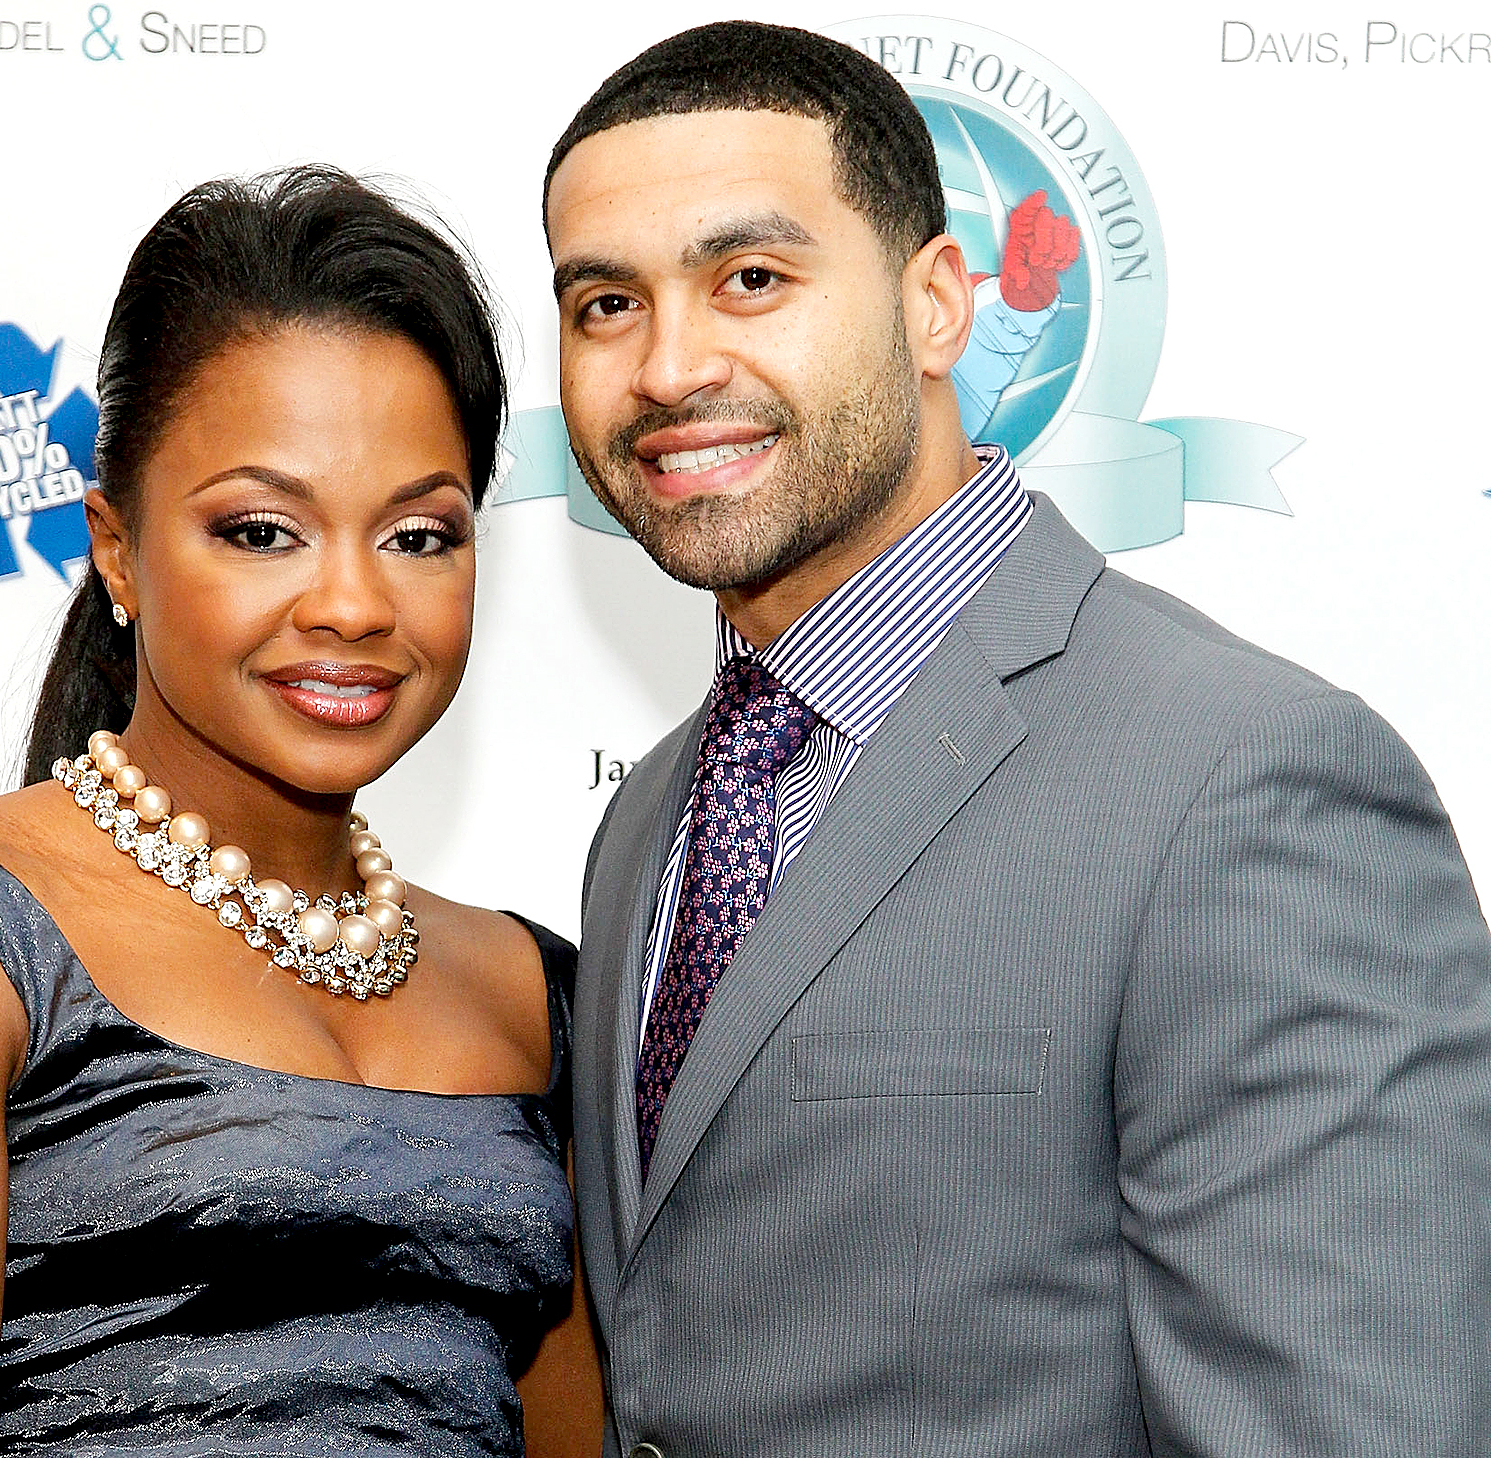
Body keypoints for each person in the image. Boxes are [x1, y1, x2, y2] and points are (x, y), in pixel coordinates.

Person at [545, 21, 1491, 1458]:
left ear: (938, 305)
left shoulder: (1249, 783)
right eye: (606, 303)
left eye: (751, 278)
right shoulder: (650, 819)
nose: (669, 366)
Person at [0, 166, 601, 1457]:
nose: (353, 603)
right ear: (117, 545)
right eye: (261, 530)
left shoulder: (534, 990)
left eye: (419, 534)